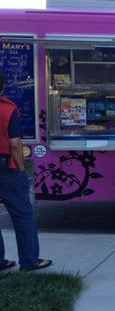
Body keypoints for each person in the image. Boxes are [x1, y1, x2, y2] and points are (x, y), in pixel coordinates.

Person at [0, 70, 52, 272]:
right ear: (3, 87)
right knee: (22, 215)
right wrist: (21, 169)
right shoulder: (7, 109)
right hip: (5, 167)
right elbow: (14, 144)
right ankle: (29, 261)